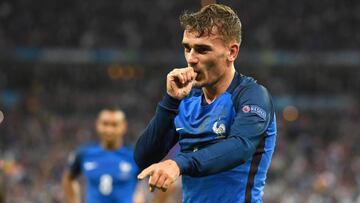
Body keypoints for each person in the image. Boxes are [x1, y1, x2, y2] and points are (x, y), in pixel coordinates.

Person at [134, 4, 277, 203]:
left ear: (232, 52)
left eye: (202, 49)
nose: (191, 59)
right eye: (187, 48)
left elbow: (240, 147)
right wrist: (170, 101)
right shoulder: (186, 100)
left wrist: (179, 163)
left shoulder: (251, 96)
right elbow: (143, 159)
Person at [62, 108, 144, 203]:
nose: (109, 130)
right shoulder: (84, 154)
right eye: (105, 124)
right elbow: (68, 178)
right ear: (97, 125)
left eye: (114, 125)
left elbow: (162, 178)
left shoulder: (135, 155)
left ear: (124, 127)